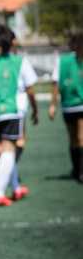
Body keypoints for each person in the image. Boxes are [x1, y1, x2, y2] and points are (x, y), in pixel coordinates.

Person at [0, 24, 38, 206]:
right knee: (9, 149)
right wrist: (36, 110)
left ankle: (16, 187)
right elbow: (30, 90)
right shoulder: (20, 62)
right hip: (13, 111)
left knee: (5, 147)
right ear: (13, 42)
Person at [49, 31, 83, 182]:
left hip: (76, 105)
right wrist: (52, 105)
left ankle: (79, 171)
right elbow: (56, 82)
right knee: (75, 139)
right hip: (70, 105)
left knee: (79, 138)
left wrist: (53, 105)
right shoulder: (63, 61)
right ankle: (77, 170)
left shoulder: (63, 60)